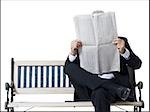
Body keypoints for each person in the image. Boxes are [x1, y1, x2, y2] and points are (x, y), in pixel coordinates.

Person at [64, 36, 142, 112]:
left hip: (110, 88)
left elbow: (137, 64)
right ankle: (112, 87)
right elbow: (68, 68)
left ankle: (109, 86)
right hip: (90, 89)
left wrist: (124, 51)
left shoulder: (120, 41)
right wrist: (73, 53)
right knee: (70, 67)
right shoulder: (82, 43)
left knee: (100, 93)